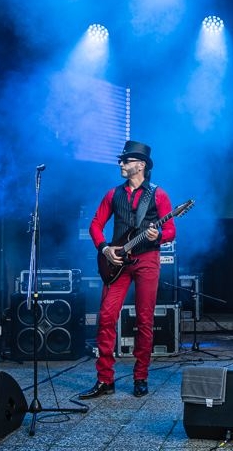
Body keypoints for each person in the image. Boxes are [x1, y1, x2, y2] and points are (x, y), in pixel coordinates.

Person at [79, 140, 175, 399]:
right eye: (121, 160)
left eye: (126, 161)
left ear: (141, 165)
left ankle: (140, 377)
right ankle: (105, 380)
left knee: (145, 321)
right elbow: (95, 225)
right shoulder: (113, 194)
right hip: (118, 262)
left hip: (147, 260)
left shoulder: (158, 195)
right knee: (106, 317)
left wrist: (157, 236)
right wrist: (105, 249)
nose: (121, 164)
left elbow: (170, 231)